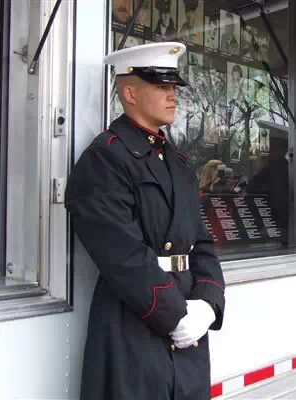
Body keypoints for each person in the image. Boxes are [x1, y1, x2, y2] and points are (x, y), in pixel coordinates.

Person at [65, 42, 225, 400]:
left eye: (173, 87)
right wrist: (175, 316)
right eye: (161, 86)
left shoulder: (178, 163)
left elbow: (201, 242)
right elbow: (121, 254)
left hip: (188, 317)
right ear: (130, 93)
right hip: (136, 320)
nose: (172, 95)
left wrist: (208, 303)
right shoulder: (105, 159)